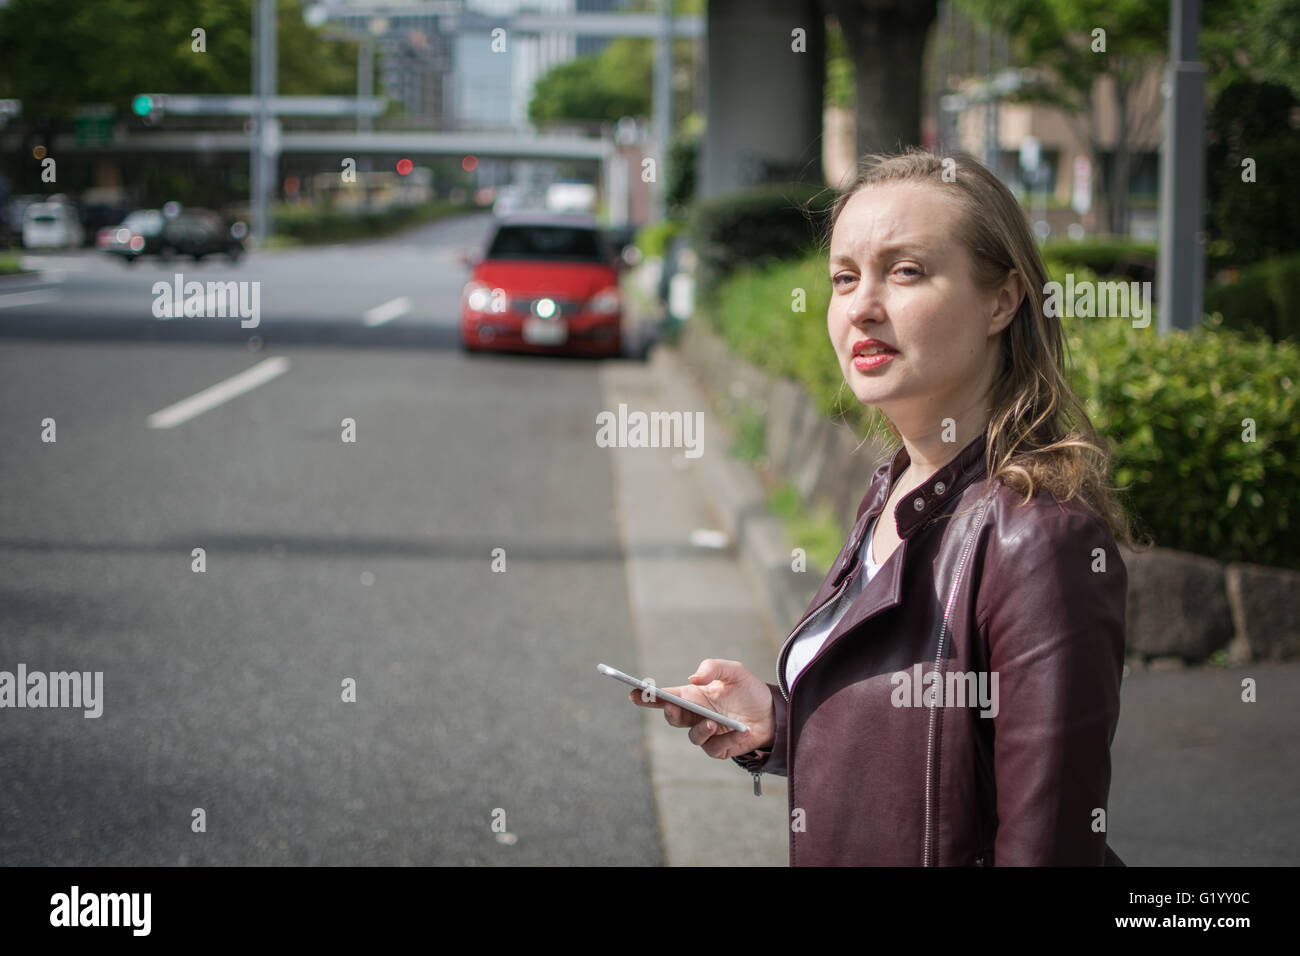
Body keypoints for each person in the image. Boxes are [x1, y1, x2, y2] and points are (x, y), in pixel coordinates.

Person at [630, 149, 1133, 866]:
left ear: (1003, 299)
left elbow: (1050, 845)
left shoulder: (1038, 538)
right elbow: (927, 766)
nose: (862, 305)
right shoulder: (895, 486)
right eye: (844, 277)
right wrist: (780, 722)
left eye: (906, 271)